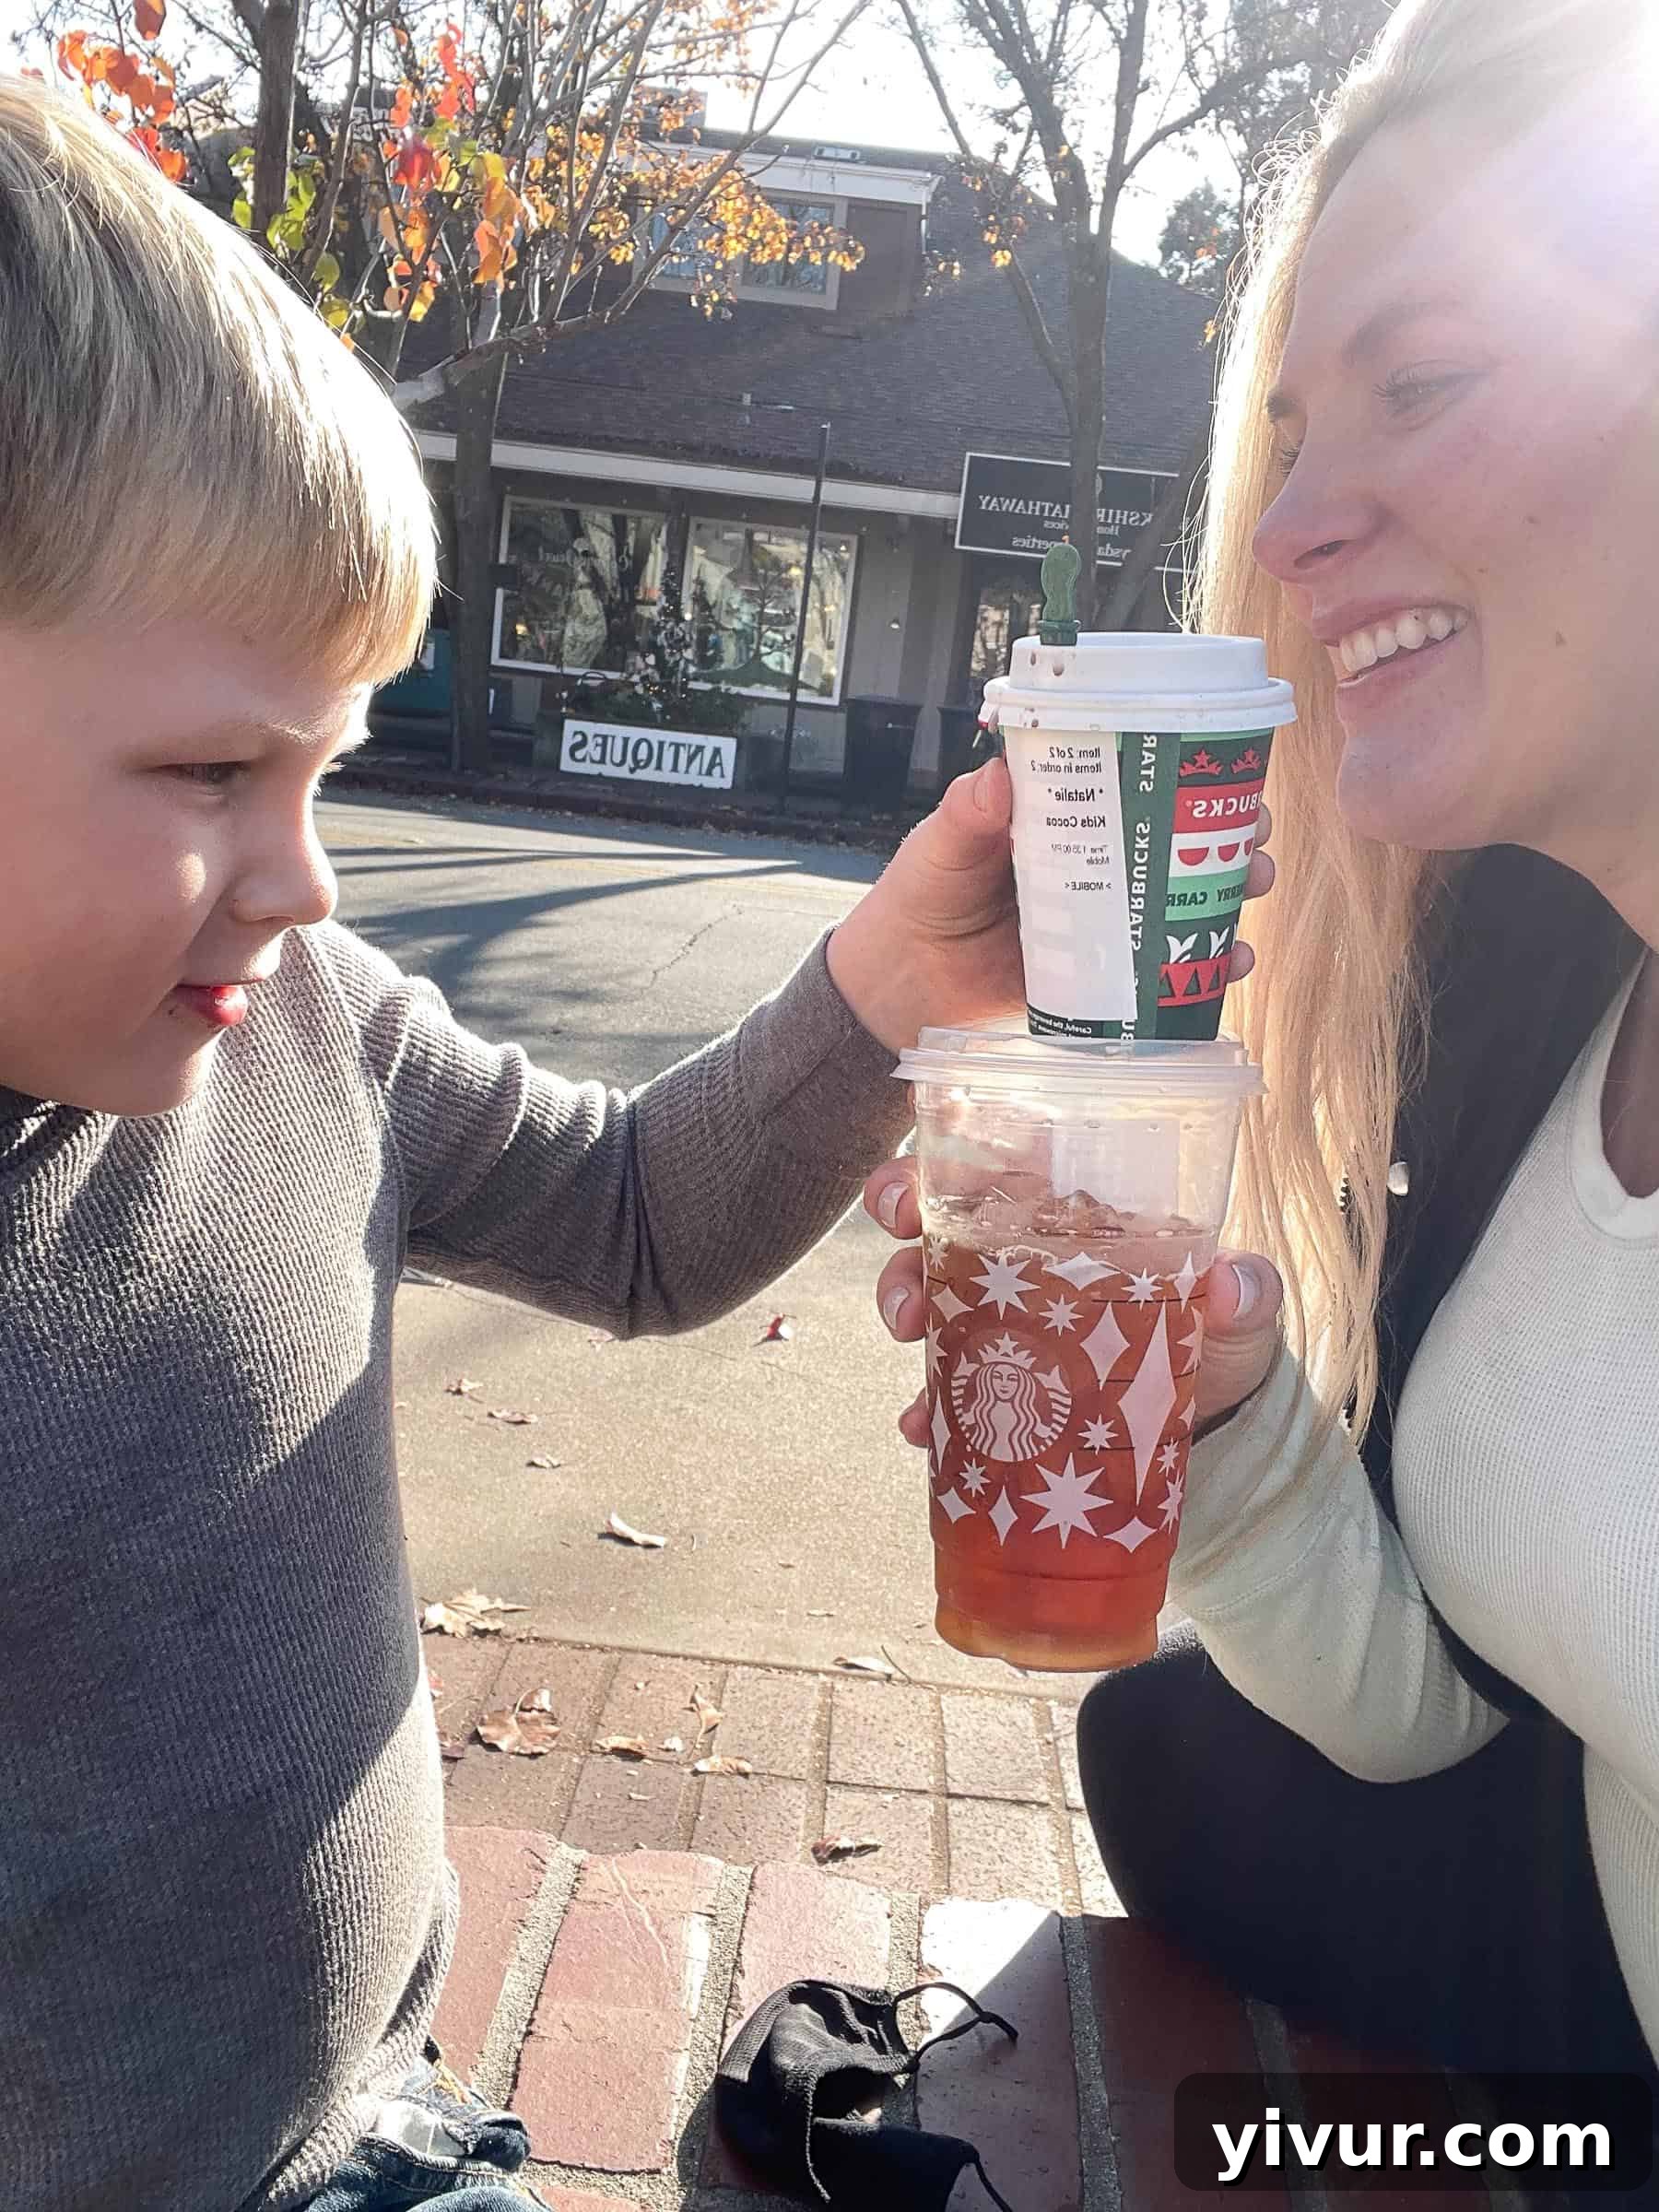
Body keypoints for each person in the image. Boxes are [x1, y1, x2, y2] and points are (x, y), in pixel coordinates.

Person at [0, 78, 1030, 2212]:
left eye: (330, 772)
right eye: (210, 766)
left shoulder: (314, 1034)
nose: (304, 882)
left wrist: (889, 981)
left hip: (385, 2129)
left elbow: (642, 1222)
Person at [868, 0, 1659, 2089]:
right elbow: (1444, 1725)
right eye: (1303, 426)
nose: (1299, 529)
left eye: (1426, 383)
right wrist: (1219, 1422)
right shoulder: (1528, 994)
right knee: (1170, 1744)